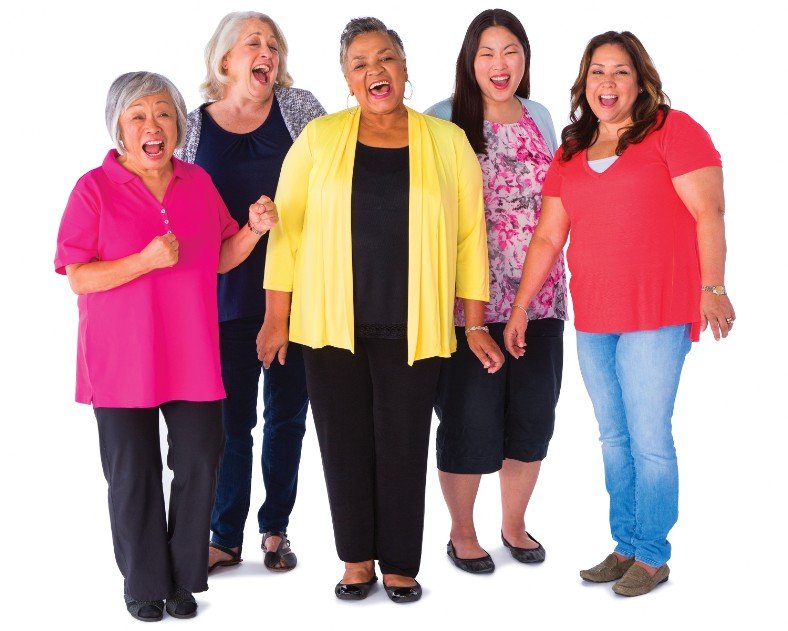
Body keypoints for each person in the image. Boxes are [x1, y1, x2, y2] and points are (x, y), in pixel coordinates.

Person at [260, 16, 501, 603]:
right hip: (328, 322)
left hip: (413, 324)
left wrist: (473, 322)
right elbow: (286, 233)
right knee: (342, 444)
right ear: (346, 78)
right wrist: (275, 317)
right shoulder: (318, 138)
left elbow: (472, 235)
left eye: (386, 58)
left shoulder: (445, 142)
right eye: (361, 63)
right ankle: (356, 560)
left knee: (403, 444)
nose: (376, 71)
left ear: (405, 68)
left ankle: (399, 563)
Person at [503, 31, 736, 597]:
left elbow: (710, 211)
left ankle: (653, 554)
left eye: (620, 72)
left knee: (649, 435)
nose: (607, 84)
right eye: (597, 73)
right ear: (585, 83)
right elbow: (546, 238)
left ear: (640, 80)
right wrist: (519, 309)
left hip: (658, 310)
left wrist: (714, 287)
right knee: (613, 437)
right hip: (597, 317)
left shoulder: (673, 132)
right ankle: (626, 544)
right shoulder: (573, 148)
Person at [55, 72, 278, 622]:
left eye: (163, 114)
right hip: (121, 360)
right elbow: (79, 276)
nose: (153, 126)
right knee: (133, 473)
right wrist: (144, 261)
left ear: (178, 124)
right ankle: (143, 582)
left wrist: (251, 229)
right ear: (119, 128)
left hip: (192, 352)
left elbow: (221, 256)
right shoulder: (93, 188)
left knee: (201, 460)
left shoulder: (198, 183)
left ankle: (181, 578)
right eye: (138, 116)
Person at [176, 10, 325, 574]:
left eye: (273, 45)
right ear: (224, 60)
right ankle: (224, 533)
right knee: (230, 423)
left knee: (287, 417)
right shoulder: (192, 126)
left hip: (297, 297)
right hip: (222, 297)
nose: (266, 53)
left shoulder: (300, 109)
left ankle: (275, 530)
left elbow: (334, 181)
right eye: (253, 44)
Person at [425, 8, 566, 574]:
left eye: (511, 50)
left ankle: (514, 525)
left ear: (525, 59)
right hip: (469, 307)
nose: (499, 63)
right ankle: (462, 532)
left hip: (542, 298)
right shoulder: (442, 119)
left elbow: (558, 202)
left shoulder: (541, 116)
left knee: (532, 417)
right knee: (468, 417)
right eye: (487, 52)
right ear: (469, 60)